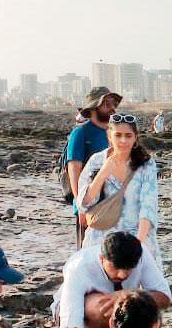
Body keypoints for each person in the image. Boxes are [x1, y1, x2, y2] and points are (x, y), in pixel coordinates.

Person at [55, 231, 171, 328]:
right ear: (102, 258)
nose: (122, 275)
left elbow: (164, 298)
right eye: (115, 267)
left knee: (146, 309)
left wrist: (128, 295)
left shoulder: (141, 254)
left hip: (122, 310)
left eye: (129, 269)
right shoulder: (79, 265)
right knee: (105, 306)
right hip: (74, 310)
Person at [76, 114, 162, 265]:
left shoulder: (146, 164)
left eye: (128, 136)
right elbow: (84, 204)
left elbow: (148, 206)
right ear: (110, 136)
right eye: (118, 135)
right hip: (101, 237)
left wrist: (138, 244)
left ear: (135, 138)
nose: (123, 141)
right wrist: (103, 173)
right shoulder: (97, 161)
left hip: (136, 235)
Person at [65, 86, 123, 246]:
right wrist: (80, 208)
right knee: (88, 257)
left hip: (114, 205)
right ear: (93, 108)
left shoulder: (115, 134)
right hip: (90, 206)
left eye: (113, 104)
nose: (112, 108)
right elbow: (74, 173)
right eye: (107, 104)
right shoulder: (81, 134)